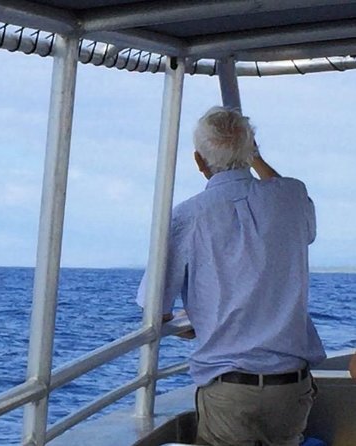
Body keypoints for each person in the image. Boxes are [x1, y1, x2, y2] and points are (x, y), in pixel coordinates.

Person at [136, 106, 326, 446]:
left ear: (199, 161)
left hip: (230, 389)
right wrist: (254, 157)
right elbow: (283, 194)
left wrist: (199, 320)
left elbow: (156, 309)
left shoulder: (187, 217)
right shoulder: (292, 197)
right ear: (251, 149)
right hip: (291, 389)